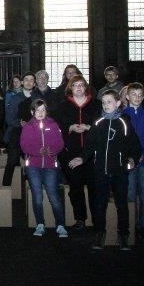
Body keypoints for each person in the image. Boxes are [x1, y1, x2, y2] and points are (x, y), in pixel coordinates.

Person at [69, 90, 141, 251]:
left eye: (109, 102)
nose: (106, 105)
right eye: (103, 102)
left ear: (118, 103)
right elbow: (90, 145)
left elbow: (134, 145)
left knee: (121, 203)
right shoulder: (98, 122)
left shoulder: (124, 122)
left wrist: (132, 159)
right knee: (99, 203)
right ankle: (99, 233)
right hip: (100, 170)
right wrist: (82, 158)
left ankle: (123, 234)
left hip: (119, 171)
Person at [56, 76, 101, 230]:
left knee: (95, 187)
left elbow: (102, 123)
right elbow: (57, 126)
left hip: (93, 153)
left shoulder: (96, 104)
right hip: (71, 152)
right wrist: (70, 127)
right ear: (70, 88)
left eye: (82, 85)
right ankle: (80, 218)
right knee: (75, 188)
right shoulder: (62, 106)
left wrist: (90, 128)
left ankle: (97, 219)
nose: (79, 88)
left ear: (86, 87)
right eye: (75, 85)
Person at [20, 99, 67, 238]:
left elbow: (60, 143)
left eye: (43, 110)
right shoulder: (28, 127)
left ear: (46, 111)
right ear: (32, 112)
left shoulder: (53, 125)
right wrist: (37, 151)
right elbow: (24, 145)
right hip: (33, 166)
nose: (40, 113)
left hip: (50, 166)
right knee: (37, 197)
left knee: (54, 196)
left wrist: (50, 151)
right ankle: (40, 224)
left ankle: (61, 225)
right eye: (37, 110)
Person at [123, 83, 144, 243]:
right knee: (129, 194)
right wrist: (130, 156)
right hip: (129, 161)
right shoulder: (122, 114)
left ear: (143, 97)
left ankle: (143, 226)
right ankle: (129, 226)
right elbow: (123, 140)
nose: (136, 97)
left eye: (139, 95)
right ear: (127, 96)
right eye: (133, 94)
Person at [2, 72, 36, 186]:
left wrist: (31, 125)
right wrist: (20, 124)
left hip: (34, 134)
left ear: (34, 83)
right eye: (26, 79)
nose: (28, 82)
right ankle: (5, 189)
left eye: (31, 80)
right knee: (11, 161)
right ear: (22, 82)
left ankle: (31, 188)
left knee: (32, 162)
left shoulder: (37, 98)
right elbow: (9, 118)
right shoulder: (15, 98)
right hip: (16, 132)